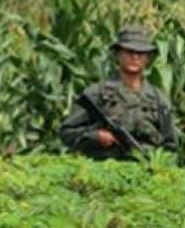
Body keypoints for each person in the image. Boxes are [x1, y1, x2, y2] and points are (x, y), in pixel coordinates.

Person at [59, 25, 178, 160]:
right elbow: (66, 133)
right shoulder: (96, 94)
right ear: (117, 54)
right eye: (129, 51)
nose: (135, 57)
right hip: (103, 173)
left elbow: (170, 147)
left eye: (140, 53)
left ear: (147, 58)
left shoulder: (159, 100)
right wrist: (95, 136)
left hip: (146, 173)